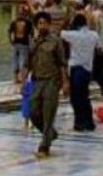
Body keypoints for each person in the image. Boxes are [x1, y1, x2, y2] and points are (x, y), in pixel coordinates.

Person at [24, 11, 69, 158]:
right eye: (39, 23)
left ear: (48, 25)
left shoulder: (56, 41)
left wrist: (65, 82)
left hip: (51, 81)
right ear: (36, 25)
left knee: (48, 113)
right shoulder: (32, 42)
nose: (42, 25)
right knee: (32, 110)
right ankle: (50, 133)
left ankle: (44, 145)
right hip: (37, 80)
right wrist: (23, 81)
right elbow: (27, 64)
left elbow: (62, 64)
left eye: (44, 23)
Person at [62, 12, 100, 131]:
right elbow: (99, 50)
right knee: (85, 96)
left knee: (76, 98)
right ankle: (89, 123)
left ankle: (79, 123)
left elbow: (60, 32)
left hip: (76, 69)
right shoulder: (94, 35)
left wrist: (66, 20)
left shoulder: (73, 35)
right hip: (88, 69)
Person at [9, 4, 34, 86]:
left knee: (15, 61)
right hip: (24, 44)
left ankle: (16, 79)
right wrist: (32, 45)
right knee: (24, 63)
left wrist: (11, 40)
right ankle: (23, 80)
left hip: (16, 43)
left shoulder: (14, 21)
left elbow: (10, 32)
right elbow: (31, 34)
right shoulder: (28, 22)